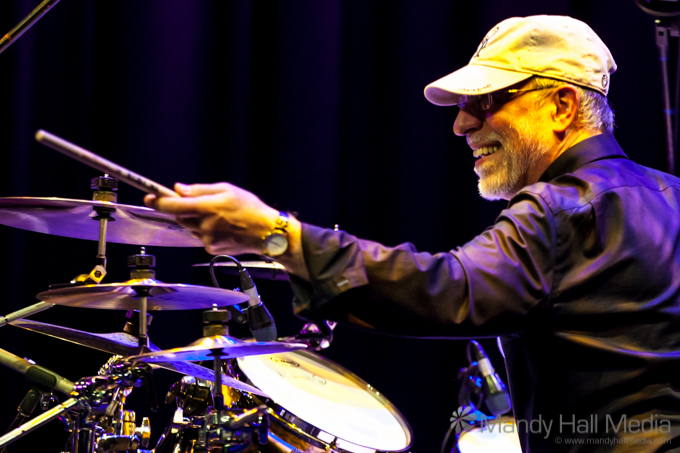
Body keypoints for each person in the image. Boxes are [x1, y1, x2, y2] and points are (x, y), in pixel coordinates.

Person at [146, 15, 680, 452]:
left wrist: (276, 234)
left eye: (488, 100)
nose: (462, 124)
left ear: (561, 106)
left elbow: (444, 290)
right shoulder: (671, 194)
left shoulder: (558, 209)